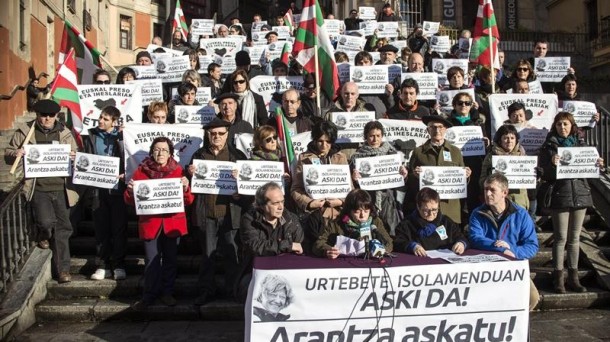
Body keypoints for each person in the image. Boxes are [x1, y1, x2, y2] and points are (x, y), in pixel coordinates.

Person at [5, 99, 79, 284]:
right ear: (37, 115)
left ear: (56, 116)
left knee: (63, 229)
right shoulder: (25, 131)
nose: (47, 119)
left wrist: (73, 157)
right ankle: (42, 233)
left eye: (51, 116)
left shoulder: (65, 132)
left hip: (62, 188)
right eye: (43, 115)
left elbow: (78, 156)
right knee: (46, 222)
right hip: (38, 187)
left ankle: (63, 270)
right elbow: (8, 152)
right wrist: (16, 154)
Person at [538, 112, 604, 294]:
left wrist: (597, 163)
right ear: (555, 127)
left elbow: (589, 170)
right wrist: (551, 164)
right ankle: (558, 278)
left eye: (565, 124)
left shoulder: (582, 144)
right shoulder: (548, 147)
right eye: (559, 125)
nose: (562, 128)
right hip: (560, 196)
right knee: (560, 239)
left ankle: (574, 278)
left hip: (580, 195)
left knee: (574, 239)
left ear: (572, 125)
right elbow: (543, 174)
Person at [125, 137, 194, 309]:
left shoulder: (179, 171)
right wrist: (130, 191)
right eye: (157, 149)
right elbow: (128, 200)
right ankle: (149, 295)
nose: (160, 153)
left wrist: (186, 188)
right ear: (151, 152)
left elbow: (189, 200)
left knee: (170, 259)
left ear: (170, 153)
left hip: (172, 224)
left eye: (164, 150)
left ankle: (167, 293)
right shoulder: (141, 172)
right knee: (151, 260)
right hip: (151, 223)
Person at [188, 118, 248, 306]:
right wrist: (189, 175)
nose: (217, 137)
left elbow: (248, 187)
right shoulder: (198, 155)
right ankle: (206, 290)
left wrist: (240, 187)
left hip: (231, 213)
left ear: (227, 134)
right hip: (207, 213)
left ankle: (233, 290)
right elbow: (191, 187)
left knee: (232, 253)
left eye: (221, 133)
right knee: (208, 255)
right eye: (213, 134)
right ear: (208, 135)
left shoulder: (237, 155)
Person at [469, 173, 540, 311]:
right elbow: (475, 238)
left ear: (504, 193)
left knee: (532, 297)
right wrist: (500, 248)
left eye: (492, 190)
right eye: (485, 189)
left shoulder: (521, 214)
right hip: (487, 267)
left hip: (514, 266)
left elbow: (532, 245)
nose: (488, 193)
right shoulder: (478, 214)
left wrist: (512, 251)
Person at [236, 183, 304, 303]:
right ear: (261, 205)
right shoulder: (249, 219)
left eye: (282, 202)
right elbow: (255, 246)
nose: (280, 207)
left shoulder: (291, 219)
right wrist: (286, 245)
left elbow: (299, 244)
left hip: (286, 270)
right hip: (256, 271)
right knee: (247, 289)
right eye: (275, 203)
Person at [83, 106, 127, 281]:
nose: (101, 121)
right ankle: (102, 265)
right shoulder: (91, 136)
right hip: (98, 190)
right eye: (100, 117)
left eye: (106, 119)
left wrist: (122, 137)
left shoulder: (122, 136)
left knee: (119, 229)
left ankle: (119, 264)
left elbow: (128, 158)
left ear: (114, 122)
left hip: (117, 190)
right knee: (101, 230)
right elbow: (86, 157)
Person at [407, 115, 471, 225]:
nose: (437, 130)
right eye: (433, 127)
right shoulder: (418, 152)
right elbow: (409, 180)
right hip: (427, 209)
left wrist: (466, 176)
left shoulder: (455, 152)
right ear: (428, 130)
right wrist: (415, 176)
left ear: (445, 129)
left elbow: (462, 183)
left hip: (450, 208)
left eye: (440, 127)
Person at [350, 121, 408, 235]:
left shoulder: (392, 154)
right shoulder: (357, 157)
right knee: (370, 228)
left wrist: (404, 175)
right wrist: (354, 179)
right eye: (371, 136)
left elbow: (400, 180)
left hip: (387, 197)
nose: (375, 139)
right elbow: (352, 184)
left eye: (378, 136)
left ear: (382, 136)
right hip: (367, 198)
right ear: (366, 136)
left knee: (391, 228)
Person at [291, 121, 348, 221]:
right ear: (315, 140)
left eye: (328, 141)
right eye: (320, 141)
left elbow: (349, 188)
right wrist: (309, 203)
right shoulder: (304, 158)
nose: (324, 145)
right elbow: (296, 189)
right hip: (314, 215)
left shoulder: (341, 157)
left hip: (338, 214)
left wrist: (341, 201)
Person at [313, 189, 393, 258]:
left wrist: (379, 249)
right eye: (357, 212)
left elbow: (389, 242)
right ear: (349, 211)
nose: (362, 215)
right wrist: (328, 250)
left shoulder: (376, 222)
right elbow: (318, 244)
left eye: (366, 211)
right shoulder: (337, 223)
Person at [394, 187, 467, 256]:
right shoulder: (407, 224)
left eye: (434, 210)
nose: (430, 214)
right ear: (418, 207)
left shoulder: (446, 222)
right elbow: (398, 242)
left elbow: (461, 237)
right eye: (426, 210)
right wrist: (412, 246)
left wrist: (461, 244)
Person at [480, 124, 530, 209]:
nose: (509, 141)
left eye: (512, 138)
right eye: (506, 138)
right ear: (500, 140)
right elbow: (481, 182)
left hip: (519, 202)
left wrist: (536, 175)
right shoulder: (491, 157)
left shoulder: (523, 156)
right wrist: (489, 176)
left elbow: (529, 182)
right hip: (499, 203)